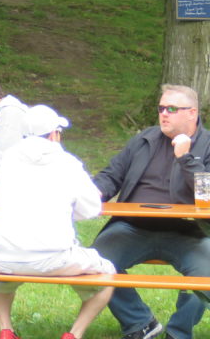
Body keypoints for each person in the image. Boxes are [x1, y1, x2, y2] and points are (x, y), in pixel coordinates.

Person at [0, 105, 114, 339]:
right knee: (107, 274)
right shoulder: (67, 163)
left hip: (2, 255)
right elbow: (92, 208)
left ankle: (6, 329)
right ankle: (74, 334)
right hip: (53, 256)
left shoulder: (8, 159)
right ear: (54, 134)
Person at [91, 84, 210, 339]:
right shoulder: (145, 139)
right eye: (161, 108)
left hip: (188, 231)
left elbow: (207, 195)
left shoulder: (208, 145)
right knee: (95, 261)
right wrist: (92, 193)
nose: (164, 113)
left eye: (172, 108)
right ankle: (140, 323)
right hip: (133, 228)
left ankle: (178, 332)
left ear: (192, 113)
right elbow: (113, 175)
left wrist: (186, 158)